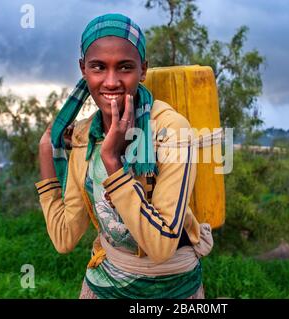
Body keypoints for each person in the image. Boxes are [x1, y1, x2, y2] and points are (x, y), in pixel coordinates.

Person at [36, 13, 213, 299]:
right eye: (98, 67)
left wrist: (113, 163)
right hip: (103, 283)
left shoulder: (170, 131)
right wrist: (47, 158)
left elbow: (161, 247)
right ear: (83, 69)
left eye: (125, 67)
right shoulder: (84, 137)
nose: (111, 81)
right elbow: (64, 237)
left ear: (143, 70)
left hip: (172, 288)